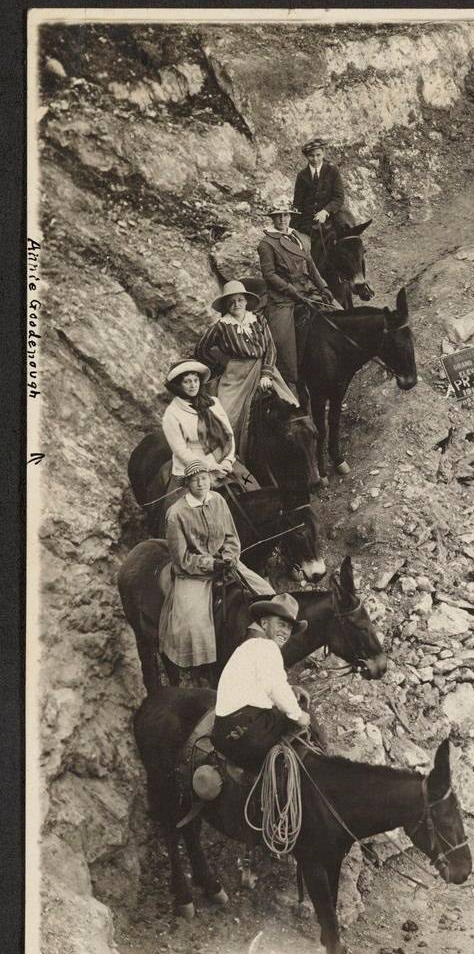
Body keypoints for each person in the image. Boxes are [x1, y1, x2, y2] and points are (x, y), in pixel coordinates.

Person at [158, 459, 275, 687]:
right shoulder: (176, 514)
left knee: (267, 593)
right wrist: (210, 564)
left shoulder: (219, 501)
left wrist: (230, 557)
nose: (201, 484)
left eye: (204, 478)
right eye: (195, 480)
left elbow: (231, 536)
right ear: (187, 483)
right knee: (193, 623)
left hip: (226, 563)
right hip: (194, 573)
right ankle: (197, 673)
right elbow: (181, 558)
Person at [194, 281, 298, 466]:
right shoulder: (221, 326)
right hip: (236, 376)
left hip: (264, 369)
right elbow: (201, 350)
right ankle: (234, 461)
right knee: (226, 418)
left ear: (246, 301)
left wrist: (266, 374)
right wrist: (220, 367)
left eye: (240, 300)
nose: (236, 305)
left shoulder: (258, 319)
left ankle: (296, 453)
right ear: (226, 305)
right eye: (232, 302)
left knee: (292, 406)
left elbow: (270, 349)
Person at [212, 594, 311, 767]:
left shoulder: (251, 646)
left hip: (224, 727)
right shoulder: (267, 646)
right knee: (300, 726)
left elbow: (265, 683)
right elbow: (276, 688)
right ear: (265, 624)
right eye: (281, 624)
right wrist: (299, 715)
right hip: (246, 729)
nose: (285, 632)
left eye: (289, 628)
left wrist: (290, 689)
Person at [257, 204, 342, 397]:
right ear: (273, 219)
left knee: (340, 313)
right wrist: (292, 292)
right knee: (281, 339)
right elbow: (269, 275)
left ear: (290, 216)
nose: (283, 219)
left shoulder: (301, 238)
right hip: (283, 296)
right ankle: (289, 381)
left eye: (286, 215)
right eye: (278, 216)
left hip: (308, 288)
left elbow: (311, 267)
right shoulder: (266, 243)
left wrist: (325, 288)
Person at [161, 359, 235, 499]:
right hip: (192, 469)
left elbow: (228, 434)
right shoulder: (172, 414)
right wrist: (210, 466)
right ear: (178, 385)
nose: (193, 385)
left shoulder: (213, 403)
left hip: (223, 461)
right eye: (187, 381)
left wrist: (228, 461)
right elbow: (181, 451)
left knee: (250, 483)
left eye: (195, 380)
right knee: (184, 510)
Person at [292, 137, 346, 239]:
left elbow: (339, 197)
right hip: (308, 220)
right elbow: (298, 202)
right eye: (311, 156)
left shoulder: (332, 171)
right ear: (306, 156)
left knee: (346, 236)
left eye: (318, 155)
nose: (315, 159)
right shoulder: (302, 176)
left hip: (330, 216)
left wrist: (325, 211)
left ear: (323, 153)